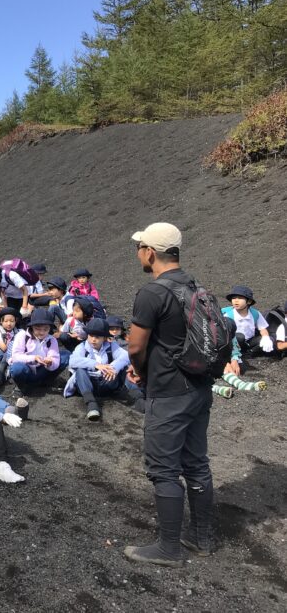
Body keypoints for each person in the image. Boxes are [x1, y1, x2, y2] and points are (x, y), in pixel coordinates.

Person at [124, 222, 215, 567]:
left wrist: (140, 370)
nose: (138, 254)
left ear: (149, 252)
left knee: (163, 469)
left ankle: (168, 547)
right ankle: (201, 536)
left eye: (139, 248)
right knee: (196, 463)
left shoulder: (153, 292)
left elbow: (135, 345)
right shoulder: (195, 285)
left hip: (169, 392)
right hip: (199, 388)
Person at [64, 318, 130, 420]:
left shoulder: (111, 345)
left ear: (104, 338)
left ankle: (136, 395)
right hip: (88, 385)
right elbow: (72, 361)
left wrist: (113, 368)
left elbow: (126, 356)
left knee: (123, 368)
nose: (93, 339)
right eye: (91, 336)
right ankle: (91, 404)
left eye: (97, 337)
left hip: (105, 382)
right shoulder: (82, 347)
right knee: (80, 371)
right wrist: (95, 364)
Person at [8, 310, 62, 392]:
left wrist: (50, 362)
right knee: (17, 368)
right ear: (32, 327)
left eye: (45, 329)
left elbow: (54, 357)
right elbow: (15, 357)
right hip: (27, 369)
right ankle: (21, 386)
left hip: (42, 369)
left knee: (65, 356)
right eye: (38, 329)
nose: (42, 332)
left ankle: (46, 382)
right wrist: (34, 358)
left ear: (50, 328)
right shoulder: (22, 336)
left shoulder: (52, 340)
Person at [221, 286, 274, 357]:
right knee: (240, 337)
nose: (236, 300)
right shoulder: (228, 315)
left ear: (249, 301)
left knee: (270, 339)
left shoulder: (255, 313)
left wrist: (266, 338)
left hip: (249, 341)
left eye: (240, 298)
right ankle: (236, 353)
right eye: (233, 298)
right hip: (235, 341)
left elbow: (262, 328)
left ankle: (249, 353)